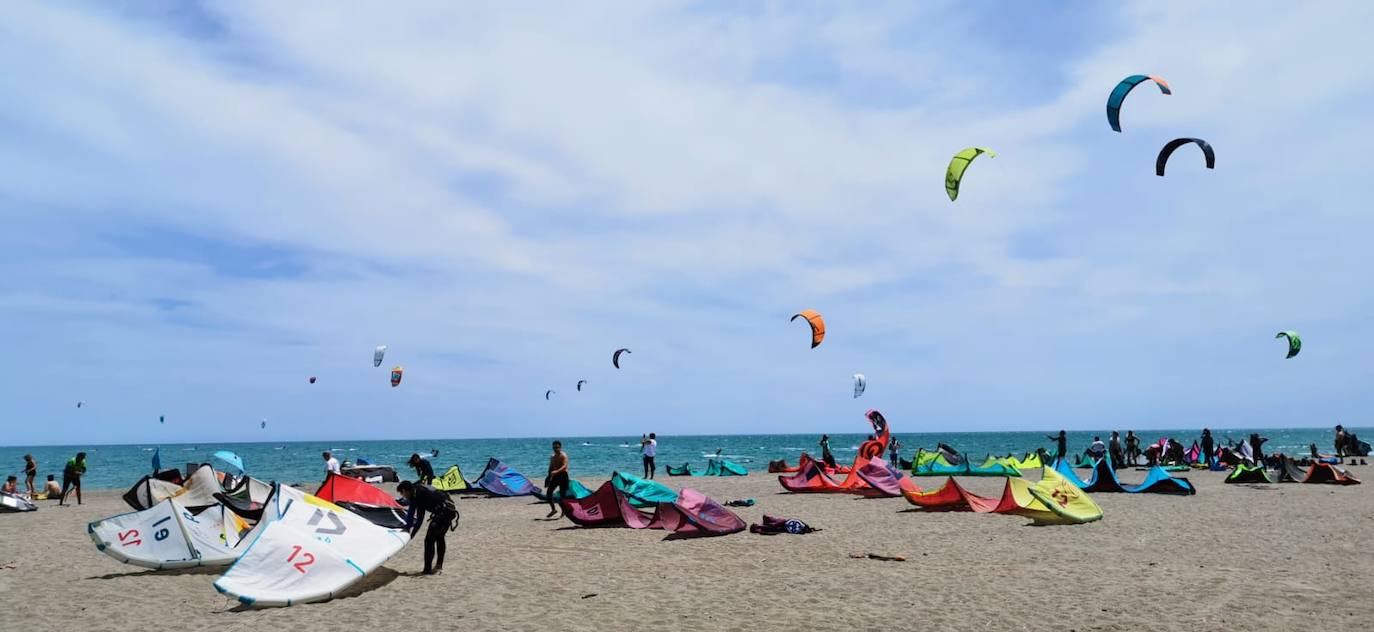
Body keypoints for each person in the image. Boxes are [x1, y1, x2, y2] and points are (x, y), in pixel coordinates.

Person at [397, 480, 458, 576]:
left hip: (444, 512)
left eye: (402, 494)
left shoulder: (416, 496)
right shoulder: (418, 489)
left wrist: (410, 535)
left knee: (429, 540)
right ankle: (438, 566)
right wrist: (411, 533)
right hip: (451, 509)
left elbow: (418, 519)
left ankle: (427, 570)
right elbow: (417, 519)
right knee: (439, 537)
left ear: (405, 491)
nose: (403, 496)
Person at [545, 441, 570, 518]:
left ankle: (564, 511)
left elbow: (565, 466)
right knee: (549, 492)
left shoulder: (563, 455)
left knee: (562, 495)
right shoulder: (552, 456)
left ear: (560, 447)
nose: (555, 449)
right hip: (555, 476)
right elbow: (551, 467)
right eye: (554, 447)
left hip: (563, 476)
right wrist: (548, 477)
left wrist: (557, 471)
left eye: (557, 447)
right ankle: (553, 509)